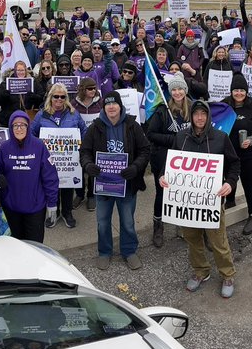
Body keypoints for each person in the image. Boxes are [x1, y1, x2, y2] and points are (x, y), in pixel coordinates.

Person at [159, 100, 241, 297]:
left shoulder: (221, 138)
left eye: (204, 114)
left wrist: (229, 183)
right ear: (191, 116)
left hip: (212, 202)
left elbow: (234, 164)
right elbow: (170, 163)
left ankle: (227, 274)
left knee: (218, 241)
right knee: (192, 239)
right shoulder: (181, 137)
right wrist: (163, 175)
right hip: (186, 203)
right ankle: (200, 271)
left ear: (208, 116)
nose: (200, 117)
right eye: (196, 114)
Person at [80, 90, 151, 271]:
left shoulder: (132, 125)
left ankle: (129, 251)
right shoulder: (95, 127)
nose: (111, 107)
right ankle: (105, 252)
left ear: (120, 106)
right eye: (108, 104)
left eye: (114, 103)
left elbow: (145, 150)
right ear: (104, 107)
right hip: (104, 184)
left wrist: (136, 167)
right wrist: (88, 166)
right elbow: (85, 152)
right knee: (103, 221)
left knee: (127, 220)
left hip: (126, 183)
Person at [0, 110, 59, 242]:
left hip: (35, 207)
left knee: (35, 246)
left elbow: (50, 176)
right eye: (15, 125)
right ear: (10, 127)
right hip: (12, 206)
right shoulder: (4, 148)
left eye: (23, 125)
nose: (19, 128)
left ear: (28, 126)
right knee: (16, 245)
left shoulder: (39, 146)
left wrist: (52, 202)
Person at [30, 83, 87, 229]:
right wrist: (38, 148)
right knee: (51, 186)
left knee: (68, 185)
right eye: (56, 96)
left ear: (66, 98)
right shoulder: (42, 114)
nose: (59, 99)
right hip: (49, 159)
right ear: (51, 97)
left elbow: (84, 131)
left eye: (63, 96)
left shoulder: (74, 113)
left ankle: (67, 213)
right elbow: (31, 133)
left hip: (69, 158)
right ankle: (53, 213)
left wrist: (81, 147)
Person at [146, 77, 191, 247]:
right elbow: (151, 134)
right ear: (170, 92)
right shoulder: (162, 110)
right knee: (162, 193)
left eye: (180, 89)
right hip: (163, 158)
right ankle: (158, 226)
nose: (177, 92)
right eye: (174, 90)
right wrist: (174, 139)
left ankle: (181, 224)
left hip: (186, 159)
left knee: (183, 192)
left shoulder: (193, 108)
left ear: (185, 90)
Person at [222, 73, 252, 235]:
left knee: (248, 185)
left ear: (246, 91)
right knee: (229, 180)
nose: (239, 94)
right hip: (228, 155)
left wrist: (251, 140)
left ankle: (251, 215)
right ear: (231, 91)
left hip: (248, 155)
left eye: (242, 90)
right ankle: (230, 202)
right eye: (236, 90)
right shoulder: (225, 105)